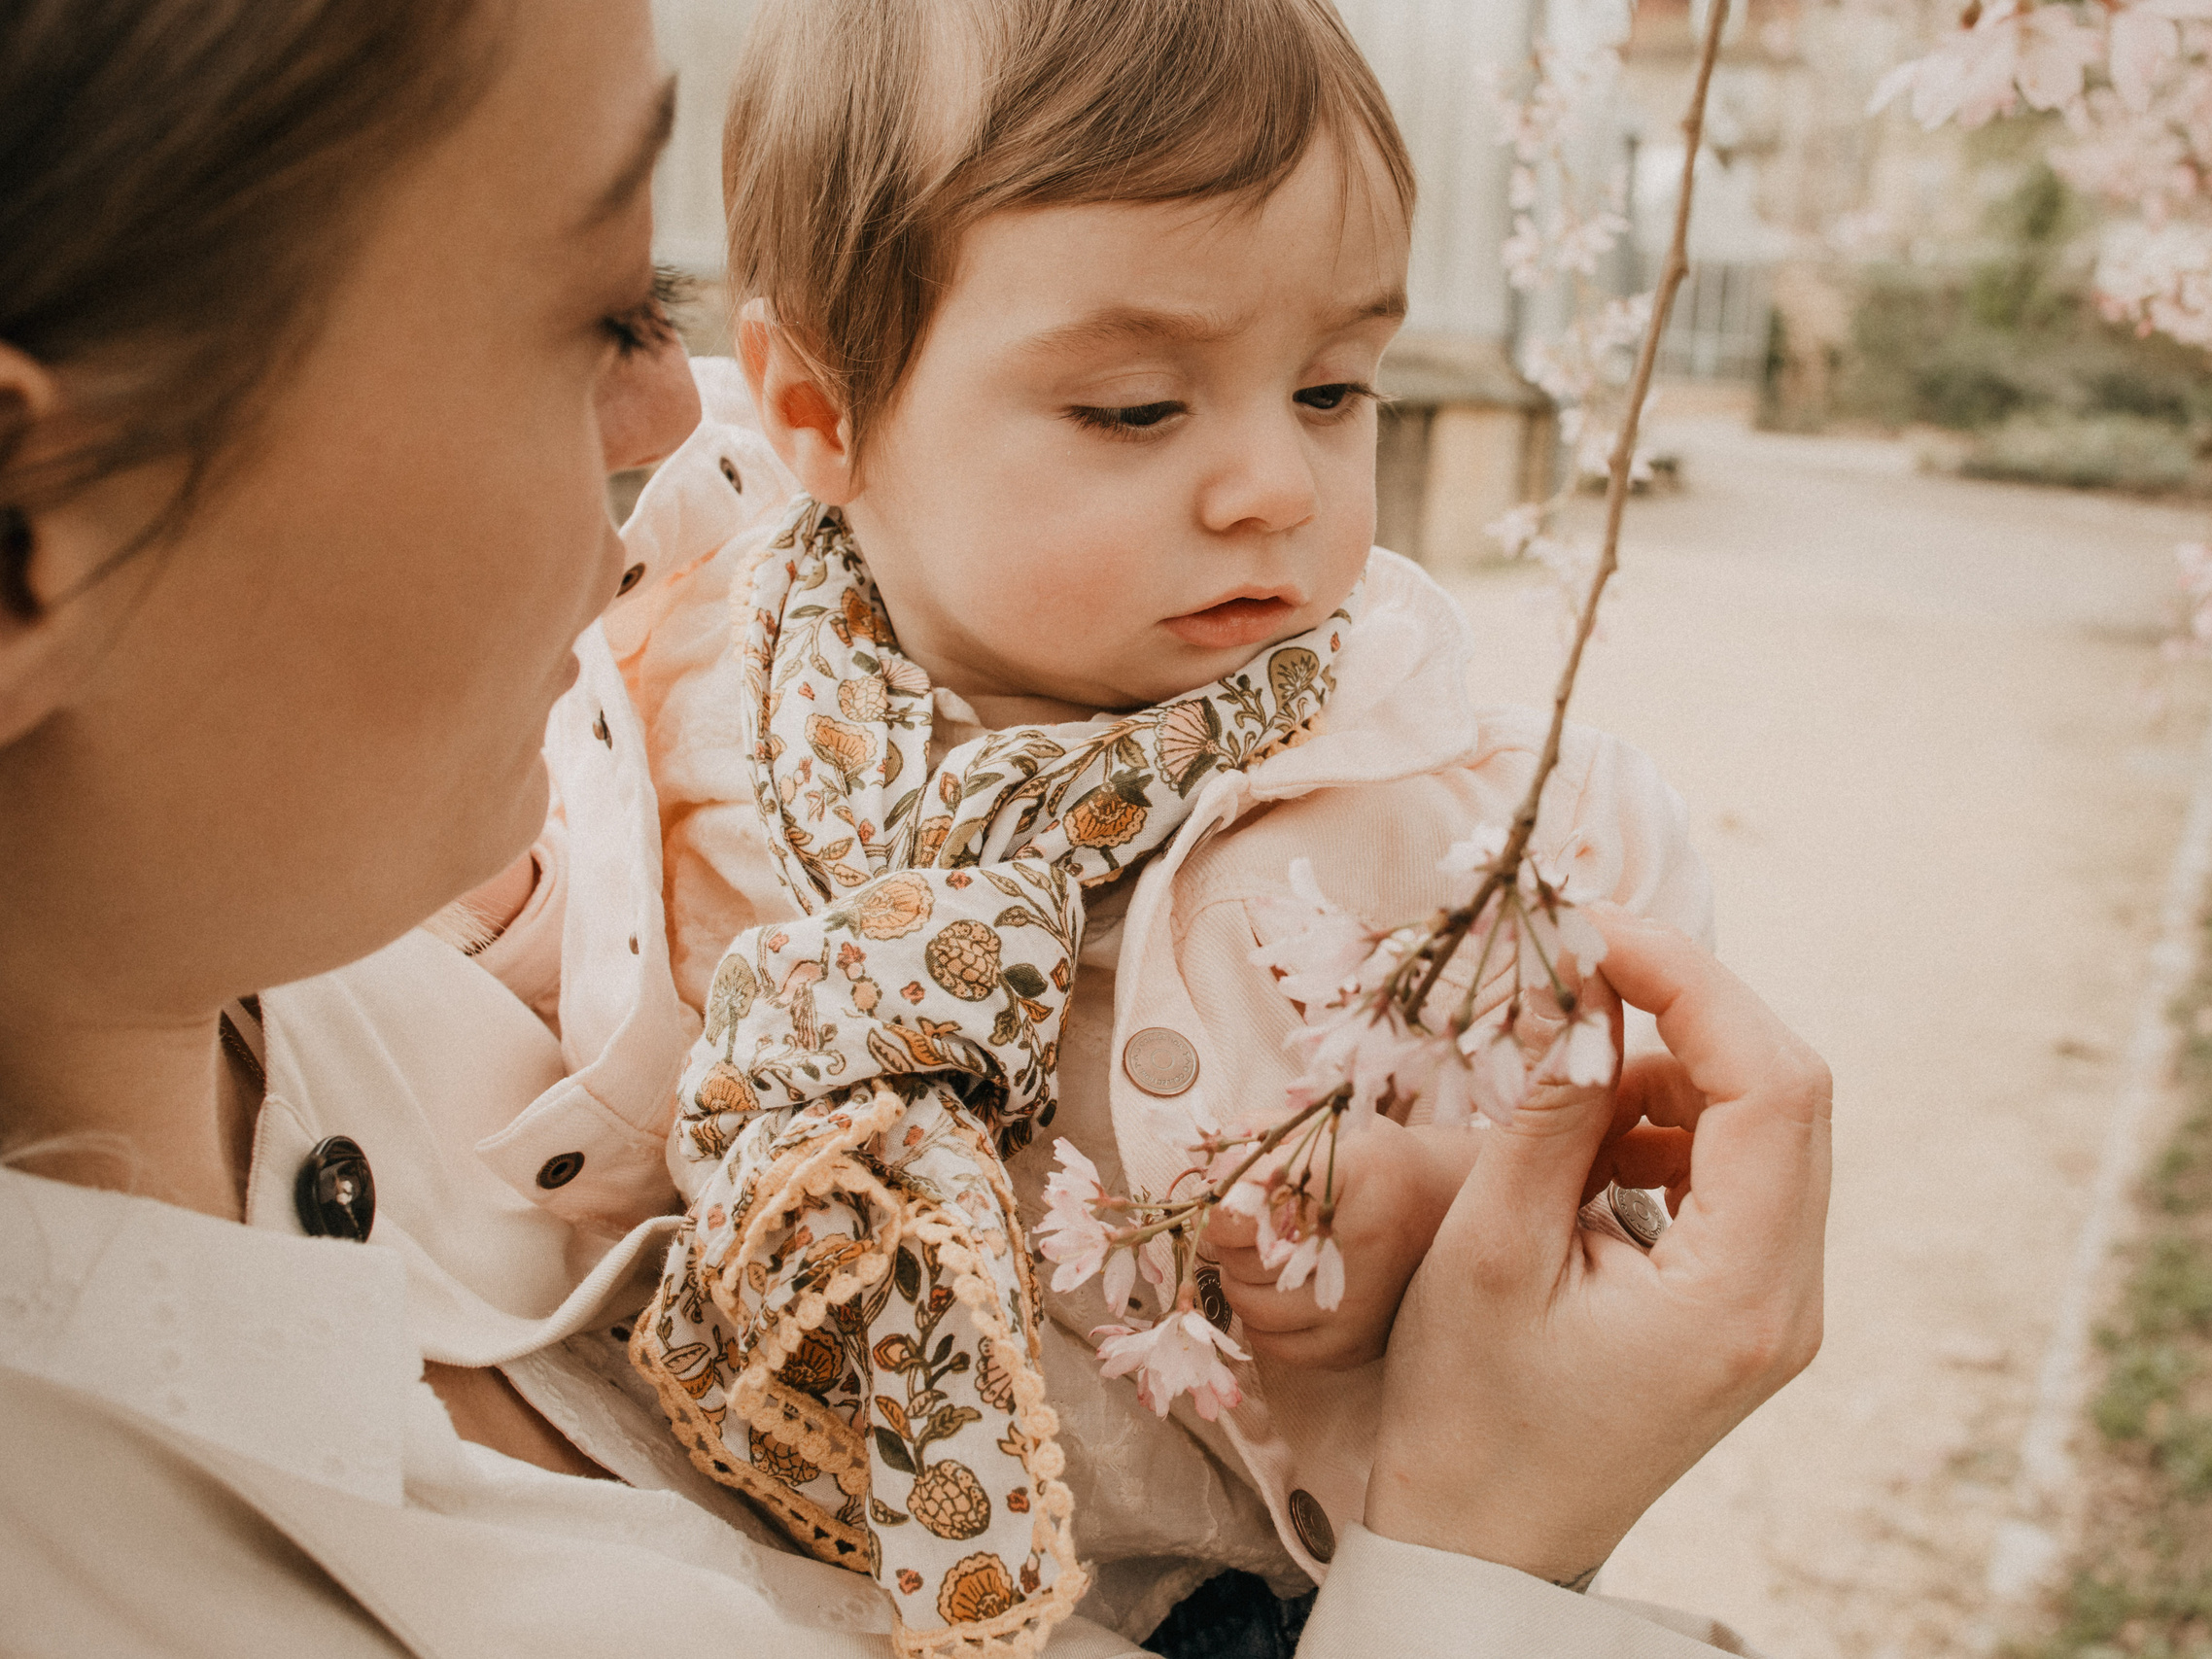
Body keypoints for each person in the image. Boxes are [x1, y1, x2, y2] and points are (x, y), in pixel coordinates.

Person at [0, 2, 1831, 1656]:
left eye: (1337, 389)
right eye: (609, 307)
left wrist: (1392, 1267)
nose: (674, 411)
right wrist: (1484, 1559)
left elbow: (1500, 1161)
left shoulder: (1415, 789)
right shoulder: (694, 705)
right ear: (30, 543)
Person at [565, 2, 1712, 1646]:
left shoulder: (1451, 801)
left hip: (1276, 1604)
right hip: (777, 1570)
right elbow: (568, 1121)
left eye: (1330, 389)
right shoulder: (682, 709)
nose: (1274, 487)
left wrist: (1436, 1207)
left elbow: (1621, 1165)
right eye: (1135, 410)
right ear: (817, 413)